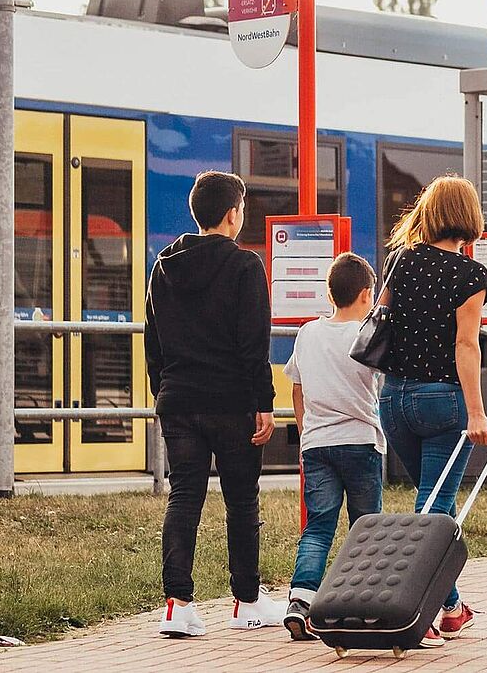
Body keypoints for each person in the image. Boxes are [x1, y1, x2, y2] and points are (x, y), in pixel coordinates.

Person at [144, 171, 284, 637]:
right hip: (231, 402)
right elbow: (253, 345)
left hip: (178, 399)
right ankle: (246, 601)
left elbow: (153, 341)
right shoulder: (245, 266)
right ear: (232, 214)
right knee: (241, 500)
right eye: (242, 208)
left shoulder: (163, 264)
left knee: (185, 496)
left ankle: (177, 604)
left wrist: (162, 389)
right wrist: (263, 402)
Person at [377, 175, 487, 648]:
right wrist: (476, 413)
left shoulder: (400, 262)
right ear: (468, 218)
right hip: (441, 401)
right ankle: (420, 612)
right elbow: (466, 346)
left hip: (394, 401)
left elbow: (382, 322)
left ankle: (451, 608)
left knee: (432, 506)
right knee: (433, 511)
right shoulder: (470, 276)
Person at [280, 253, 386, 642]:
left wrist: (307, 430)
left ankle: (301, 601)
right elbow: (382, 384)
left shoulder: (308, 332)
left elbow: (297, 387)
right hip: (360, 441)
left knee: (317, 527)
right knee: (366, 528)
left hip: (317, 445)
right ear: (364, 294)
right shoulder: (368, 334)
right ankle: (362, 605)